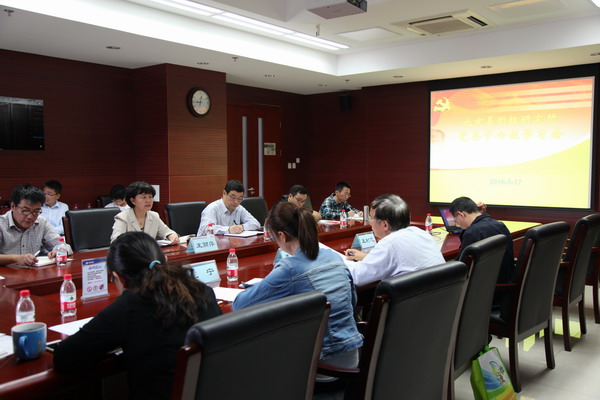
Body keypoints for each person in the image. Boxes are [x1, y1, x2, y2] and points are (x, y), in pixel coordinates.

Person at [53, 231, 222, 400]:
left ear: (118, 277)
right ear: (164, 260)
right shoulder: (203, 291)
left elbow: (64, 358)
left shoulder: (129, 306)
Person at [233, 202, 363, 379]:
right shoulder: (334, 257)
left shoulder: (291, 268)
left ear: (282, 236)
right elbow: (352, 302)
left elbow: (240, 305)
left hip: (323, 367)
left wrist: (260, 287)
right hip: (352, 359)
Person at [345, 194, 444, 286]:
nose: (370, 223)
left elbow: (357, 276)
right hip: (436, 296)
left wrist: (338, 260)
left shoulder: (389, 243)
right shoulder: (422, 233)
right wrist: (367, 257)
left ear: (385, 224)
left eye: (371, 218)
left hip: (410, 298)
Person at [0, 184, 72, 266]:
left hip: (33, 272)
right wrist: (15, 258)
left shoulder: (41, 222)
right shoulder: (1, 224)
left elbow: (63, 245)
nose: (30, 217)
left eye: (36, 211)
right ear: (13, 206)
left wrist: (59, 250)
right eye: (25, 211)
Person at [450, 196, 514, 284]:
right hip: (505, 280)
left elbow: (462, 266)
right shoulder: (499, 225)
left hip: (487, 286)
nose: (458, 225)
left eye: (456, 221)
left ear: (461, 214)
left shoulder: (472, 232)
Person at [110, 181, 179, 244]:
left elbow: (167, 231)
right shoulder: (122, 218)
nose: (148, 201)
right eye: (144, 197)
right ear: (133, 200)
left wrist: (171, 235)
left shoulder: (154, 216)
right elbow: (115, 242)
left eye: (150, 197)